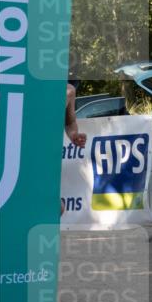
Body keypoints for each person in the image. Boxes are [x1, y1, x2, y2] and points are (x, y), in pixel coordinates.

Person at [61, 82, 88, 216]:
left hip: (46, 157)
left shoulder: (68, 90)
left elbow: (69, 122)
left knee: (56, 208)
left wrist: (73, 135)